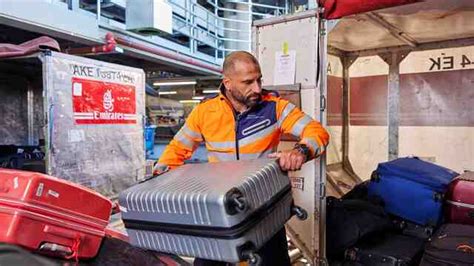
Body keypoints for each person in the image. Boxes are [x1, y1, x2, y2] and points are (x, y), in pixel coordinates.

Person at [155, 51, 330, 266]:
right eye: (248, 82)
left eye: (259, 79)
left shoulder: (275, 107)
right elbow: (176, 150)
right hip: (220, 210)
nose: (257, 88)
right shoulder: (205, 112)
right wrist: (158, 178)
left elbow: (317, 132)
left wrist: (300, 152)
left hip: (264, 210)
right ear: (227, 83)